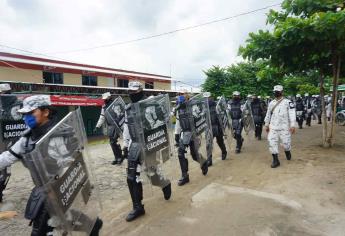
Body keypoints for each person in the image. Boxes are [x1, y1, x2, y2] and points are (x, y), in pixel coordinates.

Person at [0, 95, 103, 236]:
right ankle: (93, 225)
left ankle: (92, 225)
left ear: (46, 112)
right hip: (42, 190)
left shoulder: (60, 134)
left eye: (31, 113)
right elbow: (7, 157)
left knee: (42, 230)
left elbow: (71, 164)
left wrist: (63, 184)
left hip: (61, 187)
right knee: (60, 218)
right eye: (24, 114)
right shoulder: (27, 139)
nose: (26, 118)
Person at [123, 81, 172, 222]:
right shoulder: (128, 108)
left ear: (140, 91)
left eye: (135, 92)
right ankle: (138, 207)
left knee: (152, 175)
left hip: (149, 143)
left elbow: (163, 119)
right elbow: (127, 127)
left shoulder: (151, 103)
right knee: (131, 177)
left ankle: (165, 183)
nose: (132, 94)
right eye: (130, 92)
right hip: (135, 144)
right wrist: (126, 145)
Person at [175, 94, 209, 186]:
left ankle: (203, 162)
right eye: (179, 95)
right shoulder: (178, 108)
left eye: (182, 95)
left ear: (187, 97)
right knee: (180, 153)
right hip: (184, 134)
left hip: (194, 134)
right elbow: (178, 123)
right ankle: (185, 176)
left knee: (194, 155)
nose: (180, 96)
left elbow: (200, 118)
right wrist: (176, 135)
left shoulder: (194, 106)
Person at [264, 85, 296, 168]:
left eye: (278, 91)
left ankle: (287, 150)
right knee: (272, 142)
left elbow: (292, 113)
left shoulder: (288, 102)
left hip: (284, 127)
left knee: (286, 143)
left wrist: (292, 125)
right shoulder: (271, 103)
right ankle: (275, 160)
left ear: (282, 92)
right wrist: (267, 124)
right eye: (275, 91)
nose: (276, 93)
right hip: (273, 127)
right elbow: (268, 114)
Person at [95, 92, 124, 165]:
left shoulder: (115, 104)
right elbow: (102, 117)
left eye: (106, 98)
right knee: (112, 142)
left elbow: (120, 114)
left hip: (117, 125)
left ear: (109, 97)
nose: (105, 100)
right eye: (104, 99)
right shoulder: (104, 107)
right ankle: (117, 157)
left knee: (113, 141)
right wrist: (97, 126)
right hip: (110, 126)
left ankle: (119, 157)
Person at [206, 95, 227, 166]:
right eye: (206, 98)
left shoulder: (217, 106)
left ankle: (224, 152)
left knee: (220, 141)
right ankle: (209, 159)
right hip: (209, 127)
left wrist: (222, 127)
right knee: (209, 144)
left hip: (217, 126)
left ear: (211, 97)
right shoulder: (204, 107)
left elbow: (222, 116)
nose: (208, 99)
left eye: (209, 97)